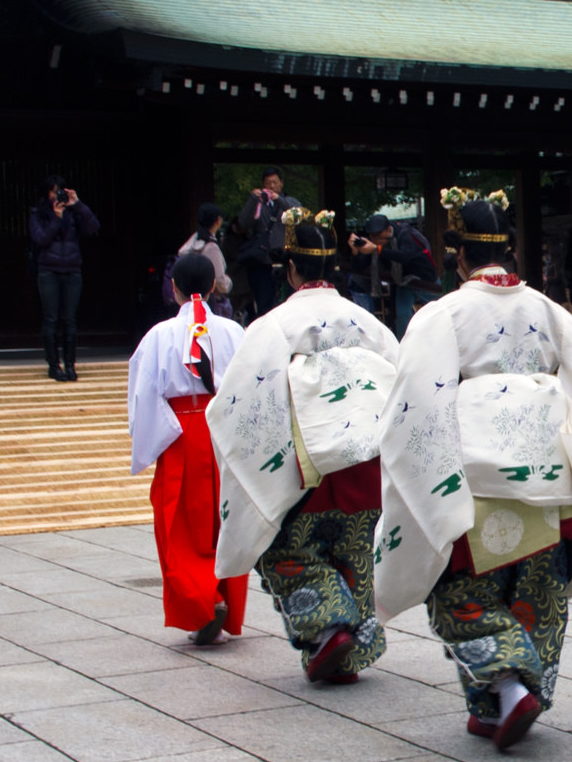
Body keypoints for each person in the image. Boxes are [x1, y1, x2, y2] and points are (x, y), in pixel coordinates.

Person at [375, 188, 572, 751]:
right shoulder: (551, 311)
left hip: (476, 477)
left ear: (459, 256)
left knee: (457, 588)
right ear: (510, 250)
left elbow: (415, 403)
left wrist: (421, 480)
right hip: (549, 474)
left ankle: (504, 688)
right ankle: (505, 698)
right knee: (537, 589)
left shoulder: (443, 314)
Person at [210, 210, 402, 682]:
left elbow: (238, 401)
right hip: (365, 460)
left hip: (306, 464)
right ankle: (348, 655)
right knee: (353, 553)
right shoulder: (366, 320)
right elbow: (400, 384)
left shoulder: (274, 325)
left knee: (281, 550)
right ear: (333, 267)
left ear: (290, 269)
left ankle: (326, 630)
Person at [127, 253, 249, 646]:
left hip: (180, 433)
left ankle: (203, 601)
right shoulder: (234, 332)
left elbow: (144, 396)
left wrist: (154, 439)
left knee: (180, 525)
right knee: (225, 522)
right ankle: (224, 599)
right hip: (224, 433)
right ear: (214, 286)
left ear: (174, 288)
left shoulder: (158, 336)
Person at [30, 178, 98, 380]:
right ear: (45, 194)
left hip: (72, 270)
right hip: (48, 271)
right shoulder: (37, 214)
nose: (56, 196)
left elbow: (93, 227)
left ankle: (70, 365)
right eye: (53, 192)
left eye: (60, 192)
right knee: (50, 319)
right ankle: (54, 366)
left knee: (70, 320)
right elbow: (40, 239)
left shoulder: (75, 213)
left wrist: (78, 204)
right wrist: (56, 219)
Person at [351, 212, 442, 335]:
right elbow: (360, 266)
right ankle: (403, 345)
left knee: (441, 309)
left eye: (378, 235)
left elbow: (405, 256)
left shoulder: (405, 233)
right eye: (372, 236)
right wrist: (356, 251)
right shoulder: (375, 245)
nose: (376, 240)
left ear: (389, 230)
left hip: (424, 279)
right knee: (402, 315)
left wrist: (377, 249)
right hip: (403, 281)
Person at [234, 167, 299, 323]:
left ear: (281, 183)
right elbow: (243, 222)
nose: (272, 186)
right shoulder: (259, 204)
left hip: (285, 261)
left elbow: (299, 216)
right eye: (268, 183)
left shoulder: (291, 202)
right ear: (263, 184)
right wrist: (252, 200)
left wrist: (278, 200)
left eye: (275, 182)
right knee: (264, 306)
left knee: (289, 303)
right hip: (262, 261)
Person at [178, 203, 235, 320]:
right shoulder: (211, 247)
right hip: (209, 303)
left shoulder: (192, 242)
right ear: (218, 221)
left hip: (187, 301)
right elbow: (220, 282)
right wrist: (228, 281)